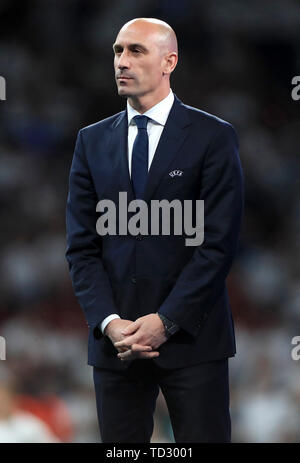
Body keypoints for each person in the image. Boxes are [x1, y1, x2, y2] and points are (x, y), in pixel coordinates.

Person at [65, 17, 244, 443]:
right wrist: (109, 322)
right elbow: (81, 248)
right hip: (118, 345)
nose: (121, 62)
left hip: (193, 342)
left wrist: (166, 321)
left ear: (170, 61)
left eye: (135, 51)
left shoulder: (213, 137)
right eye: (117, 51)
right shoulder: (90, 141)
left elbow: (217, 246)